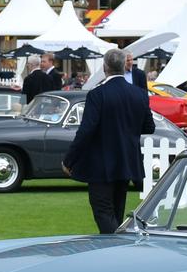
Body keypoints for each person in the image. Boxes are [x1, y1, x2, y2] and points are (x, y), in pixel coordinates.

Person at [62, 49, 153, 233]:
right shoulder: (139, 94)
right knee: (116, 213)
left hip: (101, 163)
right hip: (126, 161)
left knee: (103, 212)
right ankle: (116, 252)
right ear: (123, 66)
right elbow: (149, 127)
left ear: (105, 67)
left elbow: (86, 131)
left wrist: (69, 160)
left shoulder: (97, 94)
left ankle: (116, 247)